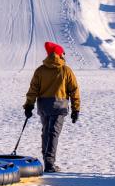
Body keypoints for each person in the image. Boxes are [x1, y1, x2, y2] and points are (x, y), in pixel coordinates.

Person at [23, 42, 80, 173]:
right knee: (53, 134)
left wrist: (29, 105)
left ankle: (47, 161)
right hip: (59, 108)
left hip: (44, 107)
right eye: (63, 54)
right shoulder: (66, 70)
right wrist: (76, 109)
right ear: (60, 54)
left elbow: (33, 90)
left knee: (46, 133)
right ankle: (49, 164)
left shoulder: (40, 70)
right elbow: (74, 90)